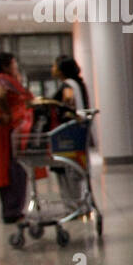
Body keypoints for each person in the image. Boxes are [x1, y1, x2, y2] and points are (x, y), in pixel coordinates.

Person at [0, 52, 33, 223]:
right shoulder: (1, 79)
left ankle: (13, 210)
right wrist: (7, 113)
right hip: (9, 132)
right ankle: (12, 211)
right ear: (5, 66)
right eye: (14, 64)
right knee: (12, 171)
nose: (16, 67)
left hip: (11, 131)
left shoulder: (1, 79)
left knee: (14, 170)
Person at [48, 55, 91, 206]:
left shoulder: (67, 86)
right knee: (76, 166)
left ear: (61, 69)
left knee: (66, 168)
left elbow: (68, 100)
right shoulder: (79, 84)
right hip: (77, 133)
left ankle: (74, 204)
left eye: (54, 66)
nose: (52, 68)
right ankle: (78, 202)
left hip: (66, 134)